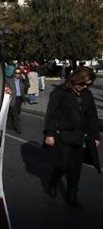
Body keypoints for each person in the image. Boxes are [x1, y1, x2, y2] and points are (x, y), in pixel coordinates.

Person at [44, 66, 101, 210]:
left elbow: (92, 116)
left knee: (76, 168)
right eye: (83, 83)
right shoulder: (60, 92)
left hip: (81, 137)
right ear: (76, 79)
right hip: (63, 136)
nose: (85, 87)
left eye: (88, 84)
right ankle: (53, 180)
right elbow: (51, 114)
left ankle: (72, 196)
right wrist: (49, 134)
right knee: (63, 165)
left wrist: (95, 136)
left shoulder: (87, 94)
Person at [6, 67, 26, 134]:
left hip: (20, 99)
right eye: (16, 73)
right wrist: (7, 89)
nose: (17, 74)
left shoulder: (22, 80)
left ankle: (9, 124)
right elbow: (5, 87)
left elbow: (28, 85)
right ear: (14, 73)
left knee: (16, 112)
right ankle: (18, 128)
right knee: (15, 114)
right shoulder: (9, 80)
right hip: (13, 98)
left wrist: (25, 78)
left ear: (21, 74)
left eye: (19, 73)